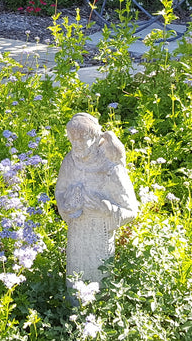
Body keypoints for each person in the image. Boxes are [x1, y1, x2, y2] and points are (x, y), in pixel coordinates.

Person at [55, 113, 138, 287]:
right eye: (72, 141)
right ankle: (73, 310)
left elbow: (131, 210)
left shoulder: (110, 168)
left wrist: (107, 209)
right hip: (77, 234)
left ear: (94, 138)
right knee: (75, 282)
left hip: (100, 236)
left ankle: (99, 310)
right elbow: (60, 192)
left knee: (99, 281)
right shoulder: (69, 162)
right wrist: (67, 205)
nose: (76, 146)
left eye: (81, 140)